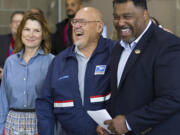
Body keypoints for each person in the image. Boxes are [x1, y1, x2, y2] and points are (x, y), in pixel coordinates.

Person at [97, 0, 180, 135]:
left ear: (145, 14)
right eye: (116, 17)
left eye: (127, 16)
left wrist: (129, 122)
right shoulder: (118, 48)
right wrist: (109, 124)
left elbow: (173, 98)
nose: (120, 22)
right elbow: (119, 94)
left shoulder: (168, 44)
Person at [36, 7, 118, 135]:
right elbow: (45, 102)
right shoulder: (60, 61)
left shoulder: (115, 52)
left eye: (83, 22)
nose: (76, 26)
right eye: (74, 22)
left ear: (99, 27)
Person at [0, 11, 54, 135]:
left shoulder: (52, 61)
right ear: (21, 32)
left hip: (39, 123)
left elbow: (56, 101)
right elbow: (3, 101)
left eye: (36, 30)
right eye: (27, 29)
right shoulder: (10, 62)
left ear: (43, 34)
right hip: (11, 123)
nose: (31, 35)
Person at [0, 11, 24, 82]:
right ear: (10, 24)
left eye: (21, 22)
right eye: (15, 21)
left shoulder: (31, 44)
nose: (17, 24)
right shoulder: (1, 40)